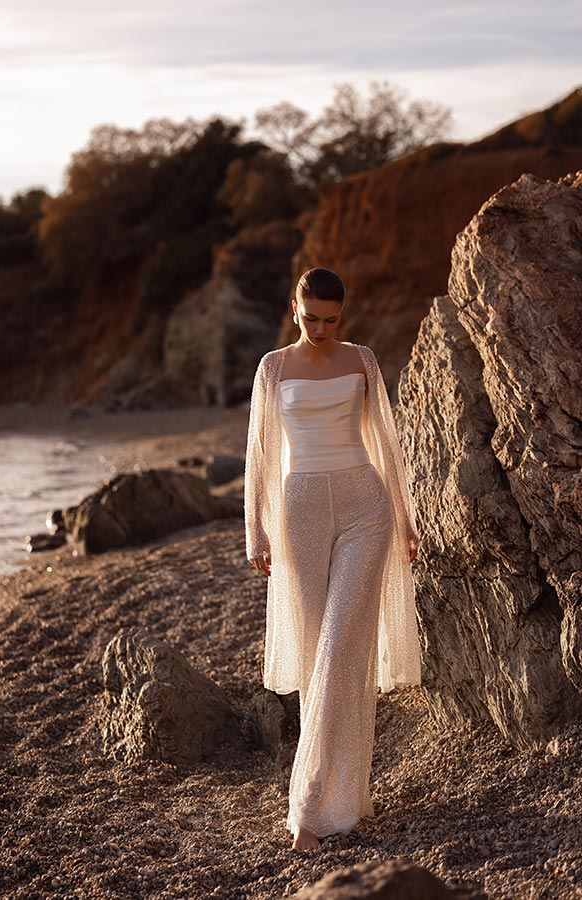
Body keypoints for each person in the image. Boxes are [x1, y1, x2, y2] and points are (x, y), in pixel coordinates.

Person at [244, 267, 421, 852]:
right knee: (321, 653)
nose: (321, 329)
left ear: (342, 315)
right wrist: (256, 532)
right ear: (294, 306)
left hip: (364, 504)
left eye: (331, 319)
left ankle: (308, 811)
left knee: (344, 650)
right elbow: (260, 456)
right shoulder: (272, 368)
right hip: (299, 511)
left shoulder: (362, 359)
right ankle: (348, 798)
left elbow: (387, 441)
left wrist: (404, 516)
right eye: (311, 317)